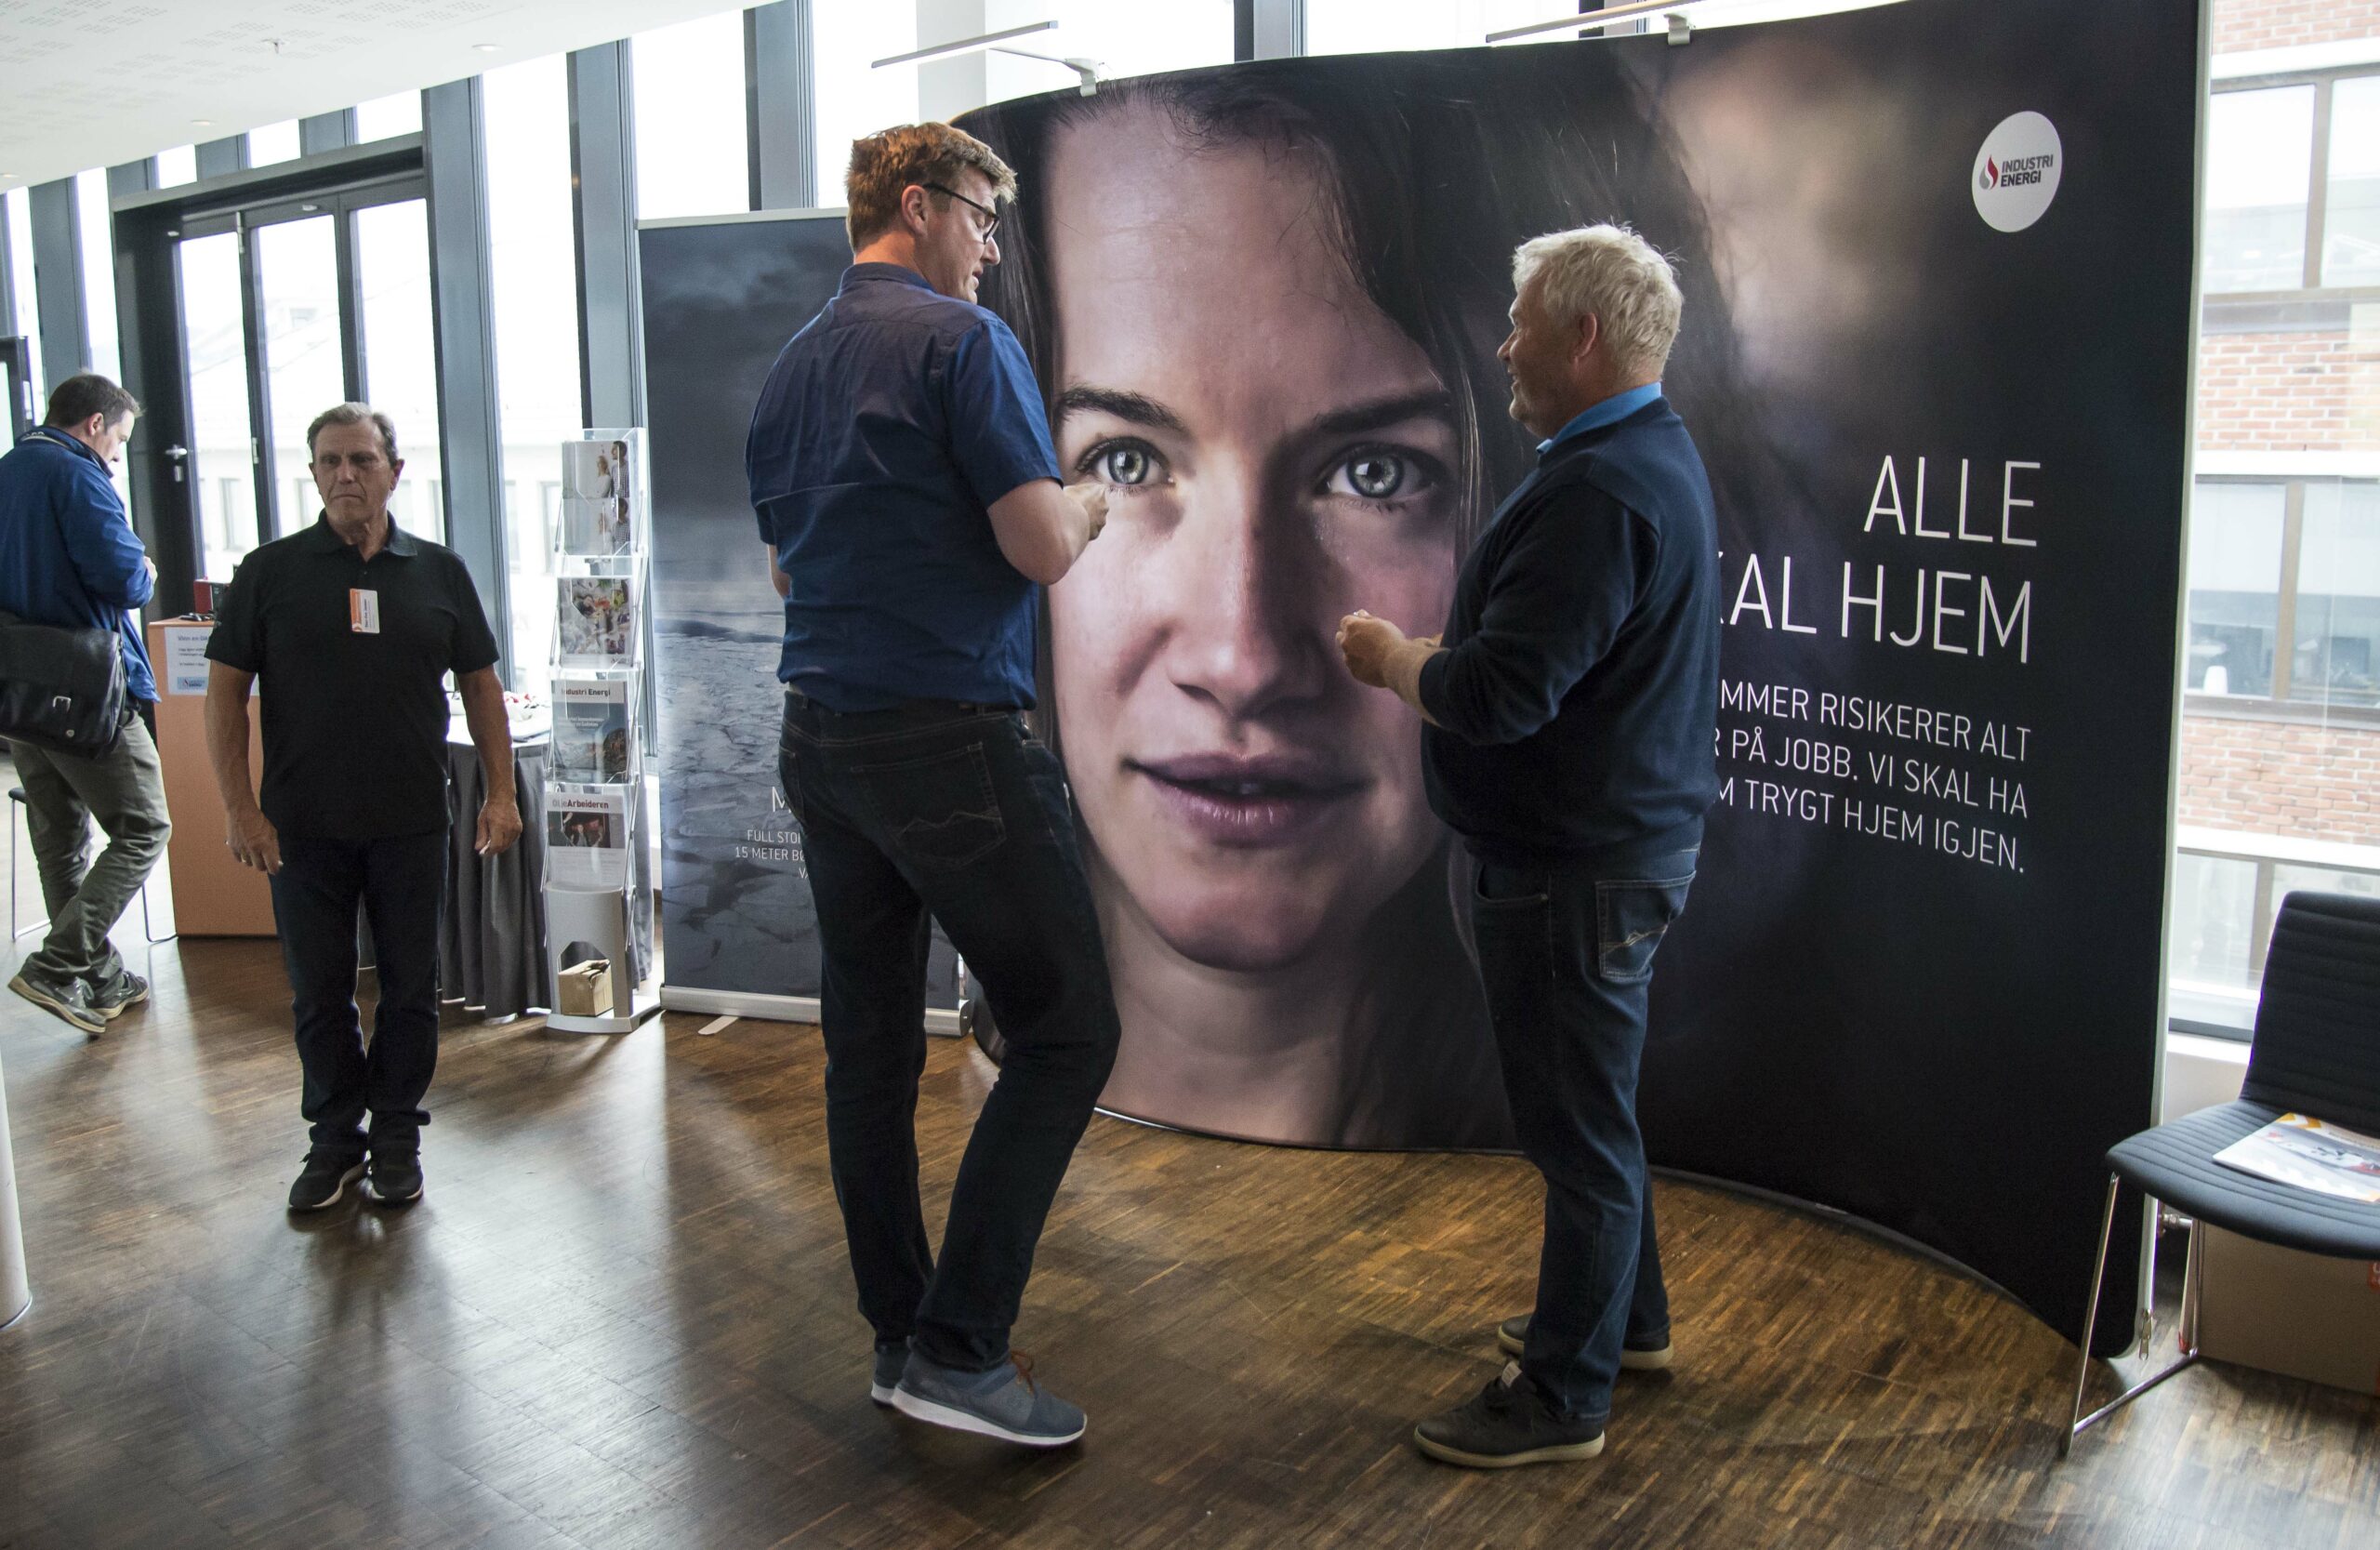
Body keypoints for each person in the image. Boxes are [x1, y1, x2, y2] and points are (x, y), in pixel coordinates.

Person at [959, 55, 1747, 1149]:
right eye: (1127, 461)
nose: (1239, 656)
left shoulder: (1606, 490)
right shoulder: (1640, 473)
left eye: (1376, 472)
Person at [747, 121, 1117, 1448]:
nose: (990, 244)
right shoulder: (965, 345)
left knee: (871, 1050)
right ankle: (961, 1347)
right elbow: (1038, 547)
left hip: (821, 736)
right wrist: (1089, 505)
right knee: (1070, 1024)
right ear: (920, 202)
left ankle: (904, 1332)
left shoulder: (791, 369)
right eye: (981, 215)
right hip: (945, 738)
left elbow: (791, 572)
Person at [1338, 226, 1721, 1468]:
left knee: (1579, 1137)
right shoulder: (1644, 456)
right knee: (1593, 1118)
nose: (1505, 344)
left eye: (1519, 320)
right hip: (1603, 855)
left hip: (1575, 867)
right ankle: (1628, 1324)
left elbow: (1506, 692)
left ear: (1584, 334)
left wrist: (1391, 658)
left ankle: (1564, 1394)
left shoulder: (1600, 488)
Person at [204, 403, 522, 1213]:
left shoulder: (439, 572)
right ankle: (335, 1138)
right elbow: (225, 694)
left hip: (413, 820)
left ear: (394, 471)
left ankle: (396, 1137)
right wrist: (240, 808)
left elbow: (482, 687)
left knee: (412, 989)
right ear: (313, 474)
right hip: (301, 827)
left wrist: (501, 791)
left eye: (362, 460)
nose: (346, 474)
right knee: (320, 992)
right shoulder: (269, 573)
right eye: (330, 462)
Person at [0, 373, 169, 1036]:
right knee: (146, 825)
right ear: (95, 425)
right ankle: (57, 962)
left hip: (19, 687)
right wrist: (149, 570)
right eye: (120, 440)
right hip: (87, 686)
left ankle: (96, 979)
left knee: (60, 837)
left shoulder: (9, 467)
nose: (118, 456)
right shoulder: (76, 474)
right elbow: (124, 576)